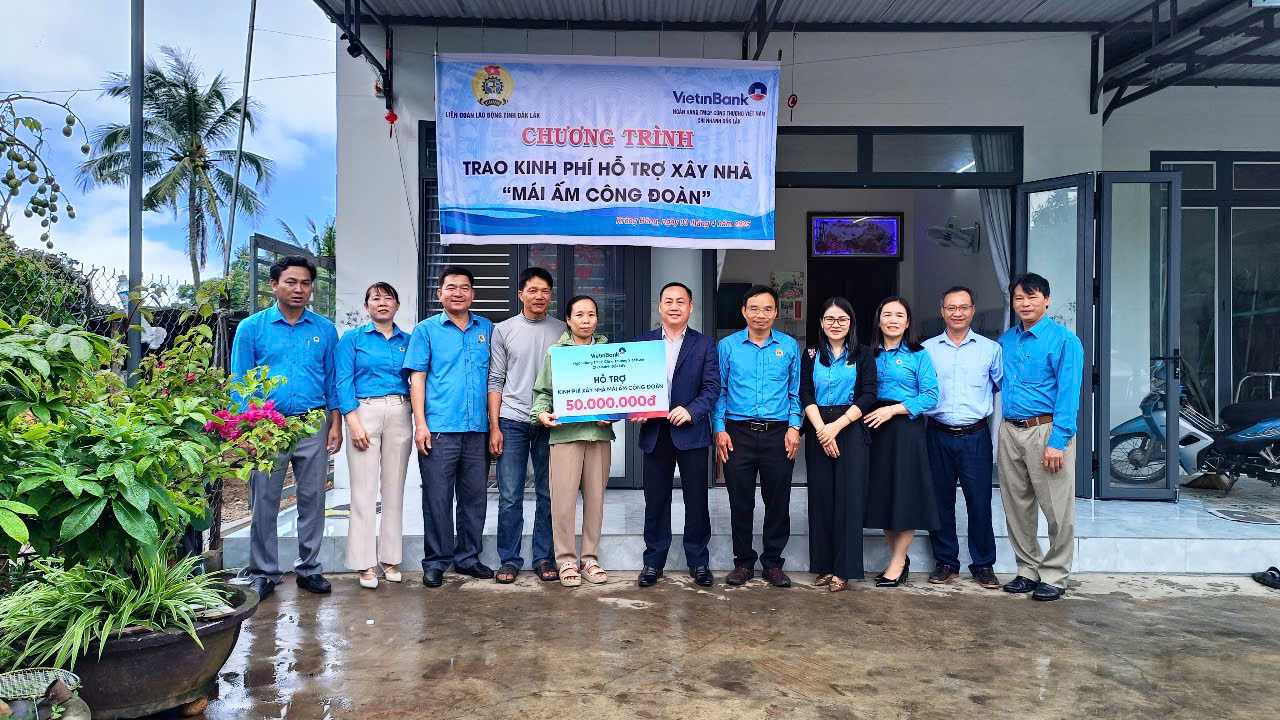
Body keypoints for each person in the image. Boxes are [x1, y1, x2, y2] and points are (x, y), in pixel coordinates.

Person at [230, 255, 342, 601]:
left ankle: (309, 568)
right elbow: (239, 382)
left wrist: (335, 423)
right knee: (264, 500)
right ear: (274, 285)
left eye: (305, 283)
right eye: (291, 282)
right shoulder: (252, 328)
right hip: (266, 426)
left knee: (313, 498)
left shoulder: (324, 329)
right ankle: (264, 572)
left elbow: (332, 379)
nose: (299, 289)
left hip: (313, 422)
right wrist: (247, 430)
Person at [403, 266, 494, 588]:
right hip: (439, 429)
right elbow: (417, 378)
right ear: (439, 293)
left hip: (477, 429)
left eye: (464, 287)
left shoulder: (487, 329)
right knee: (437, 498)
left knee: (474, 498)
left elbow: (496, 378)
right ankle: (436, 561)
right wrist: (420, 424)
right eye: (451, 287)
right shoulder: (426, 331)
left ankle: (468, 558)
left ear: (473, 294)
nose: (458, 293)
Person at [997, 273, 1084, 602]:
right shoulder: (1006, 340)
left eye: (1032, 297)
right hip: (1010, 430)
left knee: (1057, 509)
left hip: (1046, 430)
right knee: (1016, 506)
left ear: (1046, 300)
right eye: (1019, 298)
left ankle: (1055, 574)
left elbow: (1069, 394)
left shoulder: (1064, 341)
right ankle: (1027, 569)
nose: (1025, 303)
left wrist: (1058, 441)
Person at [714, 285, 802, 588]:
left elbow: (795, 392)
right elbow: (720, 391)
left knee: (778, 501)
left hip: (779, 433)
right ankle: (743, 563)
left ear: (776, 312)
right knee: (740, 501)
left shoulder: (789, 346)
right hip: (737, 433)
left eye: (767, 309)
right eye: (754, 308)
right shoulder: (727, 346)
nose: (760, 315)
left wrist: (794, 427)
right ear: (743, 311)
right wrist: (719, 429)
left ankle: (773, 563)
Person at [635, 282, 720, 589]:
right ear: (659, 307)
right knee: (655, 501)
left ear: (690, 307)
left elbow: (712, 388)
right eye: (668, 301)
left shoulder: (704, 344)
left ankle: (698, 562)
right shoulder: (643, 343)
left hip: (691, 433)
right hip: (655, 433)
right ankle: (653, 562)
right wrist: (636, 409)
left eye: (680, 301)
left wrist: (692, 410)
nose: (674, 306)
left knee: (696, 500)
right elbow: (633, 385)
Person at [531, 295, 615, 588]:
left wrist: (612, 415)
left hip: (598, 436)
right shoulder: (556, 353)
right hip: (565, 436)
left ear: (597, 319)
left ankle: (589, 558)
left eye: (591, 314)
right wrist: (541, 415)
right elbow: (542, 392)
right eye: (579, 315)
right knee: (563, 502)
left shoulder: (609, 353)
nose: (586, 320)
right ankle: (565, 559)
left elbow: (618, 393)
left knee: (596, 500)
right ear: (568, 320)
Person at [488, 267, 565, 584]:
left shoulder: (562, 330)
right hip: (513, 420)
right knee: (510, 495)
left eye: (545, 291)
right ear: (520, 294)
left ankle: (544, 557)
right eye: (532, 290)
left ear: (551, 295)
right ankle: (509, 559)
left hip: (551, 422)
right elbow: (495, 380)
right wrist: (495, 426)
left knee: (549, 494)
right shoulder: (503, 330)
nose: (539, 296)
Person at [923, 286, 1003, 589]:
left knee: (979, 501)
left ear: (972, 311)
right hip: (938, 433)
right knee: (939, 501)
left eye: (963, 307)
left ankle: (983, 564)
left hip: (975, 436)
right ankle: (946, 561)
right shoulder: (927, 350)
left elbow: (1000, 387)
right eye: (951, 308)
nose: (957, 313)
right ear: (942, 311)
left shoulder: (991, 349)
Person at [335, 282, 413, 590]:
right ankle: (364, 562)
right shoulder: (352, 340)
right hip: (363, 411)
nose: (382, 303)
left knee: (394, 488)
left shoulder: (408, 341)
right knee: (363, 492)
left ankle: (390, 558)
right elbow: (342, 380)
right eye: (375, 298)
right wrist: (352, 420)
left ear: (397, 305)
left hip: (400, 411)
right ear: (366, 306)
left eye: (388, 298)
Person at [800, 297, 877, 592]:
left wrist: (836, 426)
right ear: (821, 323)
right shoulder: (811, 354)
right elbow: (805, 392)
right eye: (830, 319)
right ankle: (824, 565)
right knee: (821, 498)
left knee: (849, 499)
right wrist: (822, 430)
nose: (836, 324)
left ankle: (844, 569)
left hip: (851, 426)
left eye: (842, 319)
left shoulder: (864, 354)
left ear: (851, 323)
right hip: (818, 424)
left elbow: (868, 394)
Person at [863, 296, 939, 588]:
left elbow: (931, 396)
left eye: (899, 315)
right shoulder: (867, 354)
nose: (893, 320)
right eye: (887, 314)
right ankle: (900, 558)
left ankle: (896, 563)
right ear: (879, 320)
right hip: (874, 430)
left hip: (905, 429)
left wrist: (893, 410)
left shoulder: (919, 355)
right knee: (883, 495)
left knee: (905, 495)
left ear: (907, 322)